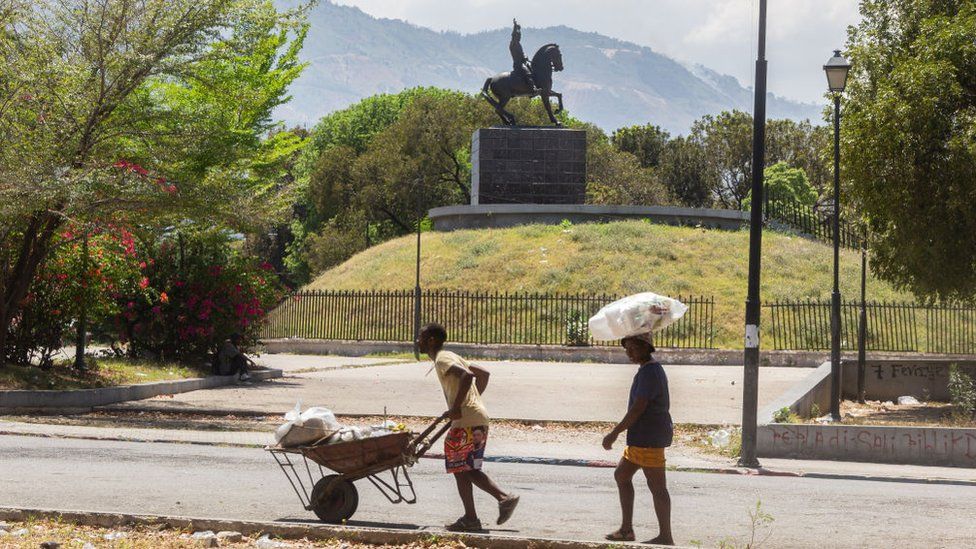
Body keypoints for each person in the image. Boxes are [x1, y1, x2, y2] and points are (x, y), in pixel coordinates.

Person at [417, 322, 520, 532]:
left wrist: (457, 407)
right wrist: (471, 403)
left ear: (431, 340)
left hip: (466, 421)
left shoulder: (442, 359)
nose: (417, 340)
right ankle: (499, 501)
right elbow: (484, 374)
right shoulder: (451, 355)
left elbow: (468, 376)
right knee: (467, 468)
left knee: (460, 468)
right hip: (477, 418)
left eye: (420, 337)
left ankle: (477, 514)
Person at [602, 331, 674, 545]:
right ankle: (626, 530)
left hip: (649, 440)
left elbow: (638, 408)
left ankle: (665, 536)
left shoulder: (650, 372)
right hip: (641, 439)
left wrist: (614, 433)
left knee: (658, 488)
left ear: (646, 347)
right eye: (627, 349)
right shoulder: (648, 370)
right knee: (622, 475)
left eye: (633, 348)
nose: (629, 353)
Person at [510, 18, 540, 93]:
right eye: (518, 36)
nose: (519, 37)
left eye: (520, 36)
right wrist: (515, 26)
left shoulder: (519, 44)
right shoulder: (513, 43)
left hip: (523, 62)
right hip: (518, 64)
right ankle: (533, 89)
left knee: (532, 68)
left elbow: (522, 53)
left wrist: (525, 57)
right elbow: (513, 34)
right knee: (528, 73)